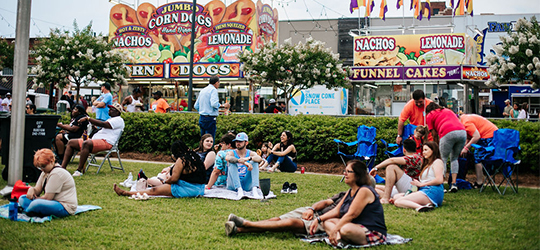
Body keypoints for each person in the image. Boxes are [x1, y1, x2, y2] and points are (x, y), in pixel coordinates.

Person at [308, 160, 387, 246]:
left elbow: (352, 214)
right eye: (345, 171)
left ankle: (338, 238)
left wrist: (335, 229)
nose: (345, 174)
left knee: (345, 229)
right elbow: (336, 211)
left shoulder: (364, 190)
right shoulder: (351, 191)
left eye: (348, 171)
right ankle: (338, 240)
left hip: (371, 231)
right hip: (356, 226)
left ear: (358, 175)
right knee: (327, 222)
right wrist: (318, 219)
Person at [225, 191, 347, 236]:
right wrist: (311, 209)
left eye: (348, 172)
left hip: (325, 221)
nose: (344, 174)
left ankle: (246, 223)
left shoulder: (361, 198)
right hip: (315, 213)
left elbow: (340, 214)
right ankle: (238, 229)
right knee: (278, 219)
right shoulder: (346, 193)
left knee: (289, 223)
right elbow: (326, 202)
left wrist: (319, 219)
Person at [114, 140, 206, 198]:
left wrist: (165, 183)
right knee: (160, 184)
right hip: (200, 188)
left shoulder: (181, 160)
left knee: (154, 190)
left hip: (188, 189)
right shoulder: (194, 156)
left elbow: (174, 179)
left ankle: (126, 193)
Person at [61, 103, 125, 176]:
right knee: (71, 142)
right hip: (97, 140)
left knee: (86, 144)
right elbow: (103, 126)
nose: (109, 110)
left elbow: (103, 124)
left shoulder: (118, 120)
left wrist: (88, 119)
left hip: (107, 142)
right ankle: (62, 168)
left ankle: (79, 170)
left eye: (111, 109)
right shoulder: (111, 119)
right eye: (109, 108)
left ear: (117, 112)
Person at [18, 148, 77, 218]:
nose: (42, 169)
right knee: (22, 198)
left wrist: (35, 199)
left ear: (52, 161)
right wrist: (32, 190)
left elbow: (48, 198)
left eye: (43, 166)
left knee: (37, 204)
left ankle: (27, 211)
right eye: (39, 168)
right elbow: (38, 189)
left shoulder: (57, 173)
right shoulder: (45, 172)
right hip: (52, 202)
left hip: (64, 206)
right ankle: (31, 210)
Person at [425, 102, 466, 193]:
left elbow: (434, 134)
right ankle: (454, 184)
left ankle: (441, 184)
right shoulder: (447, 110)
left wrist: (435, 146)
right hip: (462, 132)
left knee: (442, 159)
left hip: (447, 132)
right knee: (454, 158)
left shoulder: (430, 115)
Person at [393, 141, 445, 212]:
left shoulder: (437, 161)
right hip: (424, 190)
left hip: (431, 191)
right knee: (396, 197)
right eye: (423, 150)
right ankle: (427, 204)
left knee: (398, 201)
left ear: (433, 150)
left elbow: (439, 180)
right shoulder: (427, 165)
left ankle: (420, 207)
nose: (423, 152)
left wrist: (422, 184)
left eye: (426, 150)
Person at [369, 138, 422, 204]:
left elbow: (391, 160)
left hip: (412, 187)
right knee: (372, 188)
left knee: (391, 167)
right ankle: (391, 198)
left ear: (404, 149)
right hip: (406, 187)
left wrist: (375, 168)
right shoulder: (418, 156)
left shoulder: (413, 158)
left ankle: (385, 199)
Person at [459, 114, 498, 188]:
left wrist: (466, 148)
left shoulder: (466, 123)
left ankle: (479, 182)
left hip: (489, 137)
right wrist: (464, 147)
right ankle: (484, 179)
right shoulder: (463, 118)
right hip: (493, 134)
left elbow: (476, 136)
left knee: (478, 157)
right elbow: (469, 136)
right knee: (478, 156)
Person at [225, 132, 263, 198]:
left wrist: (248, 159)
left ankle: (255, 190)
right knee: (232, 162)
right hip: (233, 183)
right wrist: (243, 162)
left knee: (254, 162)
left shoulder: (250, 153)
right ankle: (239, 190)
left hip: (246, 182)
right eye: (236, 141)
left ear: (246, 143)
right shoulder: (232, 152)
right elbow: (227, 158)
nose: (238, 143)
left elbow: (259, 158)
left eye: (240, 141)